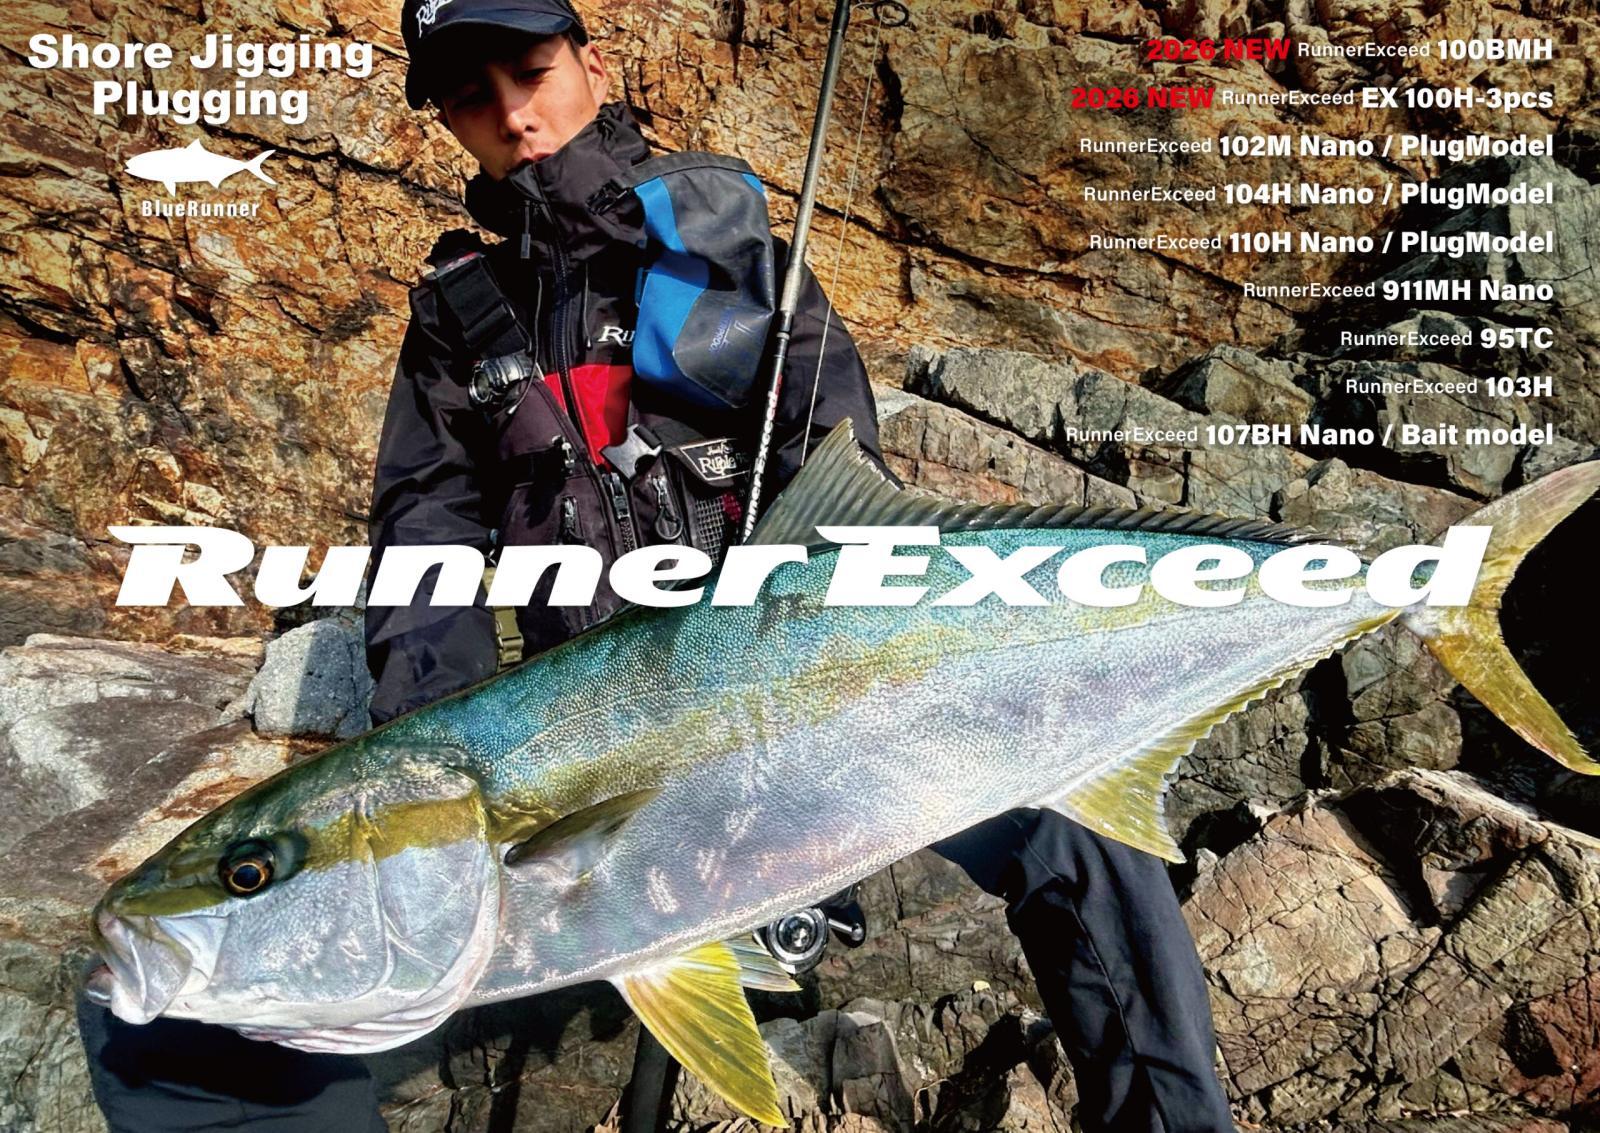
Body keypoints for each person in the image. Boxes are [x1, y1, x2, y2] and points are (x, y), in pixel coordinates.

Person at [83, 2, 1238, 1129]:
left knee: (1070, 822)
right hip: (588, 757)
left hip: (807, 695)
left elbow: (846, 494)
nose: (512, 115)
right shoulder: (458, 317)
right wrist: (439, 765)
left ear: (591, 65)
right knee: (177, 1003)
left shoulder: (739, 260)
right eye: (471, 98)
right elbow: (423, 542)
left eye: (530, 73)